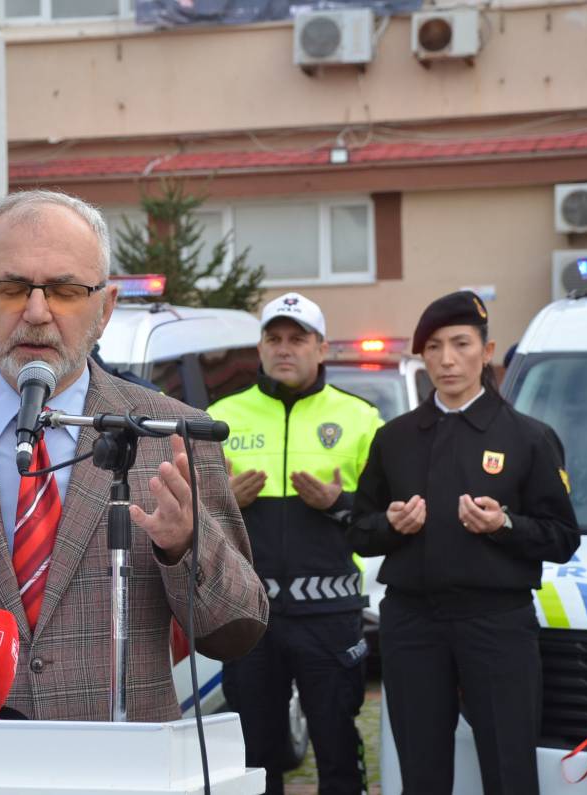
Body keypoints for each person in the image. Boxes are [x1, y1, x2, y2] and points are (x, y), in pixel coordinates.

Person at [0, 189, 267, 721]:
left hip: (118, 765)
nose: (37, 313)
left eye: (65, 290)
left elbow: (238, 628)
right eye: (12, 287)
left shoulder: (171, 433)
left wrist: (185, 547)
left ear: (105, 308)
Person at [347, 290, 580, 795]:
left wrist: (505, 526)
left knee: (509, 768)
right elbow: (359, 530)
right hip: (413, 623)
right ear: (422, 356)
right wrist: (391, 525)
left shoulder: (528, 437)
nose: (447, 360)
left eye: (460, 344)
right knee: (421, 771)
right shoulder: (396, 438)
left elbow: (563, 537)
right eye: (434, 347)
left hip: (496, 621)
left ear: (487, 349)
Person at [207, 292, 382, 795]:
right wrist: (226, 501)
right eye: (274, 338)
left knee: (336, 750)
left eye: (297, 339)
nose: (285, 349)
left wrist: (338, 502)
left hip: (328, 620)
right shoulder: (220, 415)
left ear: (322, 348)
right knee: (255, 757)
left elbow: (383, 520)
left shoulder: (360, 418)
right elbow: (190, 513)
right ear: (260, 347)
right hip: (249, 616)